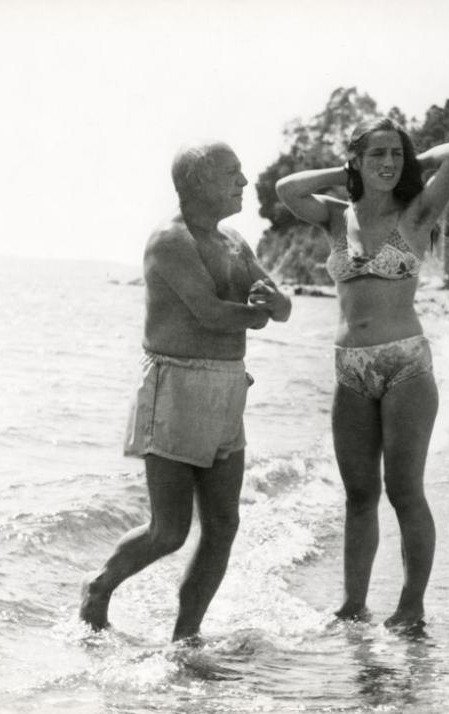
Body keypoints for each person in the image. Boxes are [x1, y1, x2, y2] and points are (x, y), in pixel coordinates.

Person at [79, 140, 291, 642]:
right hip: (175, 387)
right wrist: (259, 315)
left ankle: (185, 637)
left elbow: (280, 309)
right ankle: (99, 585)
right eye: (232, 173)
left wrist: (276, 303)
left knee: (223, 525)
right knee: (169, 531)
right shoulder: (170, 242)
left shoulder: (234, 242)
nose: (243, 182)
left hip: (226, 390)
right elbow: (210, 313)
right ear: (197, 184)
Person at [275, 117, 449, 632]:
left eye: (395, 155)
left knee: (404, 491)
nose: (388, 164)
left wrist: (412, 159)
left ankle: (411, 603)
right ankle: (352, 603)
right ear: (356, 160)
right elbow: (286, 189)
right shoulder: (337, 218)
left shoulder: (418, 211)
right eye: (376, 154)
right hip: (350, 371)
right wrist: (348, 170)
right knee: (359, 495)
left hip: (405, 363)